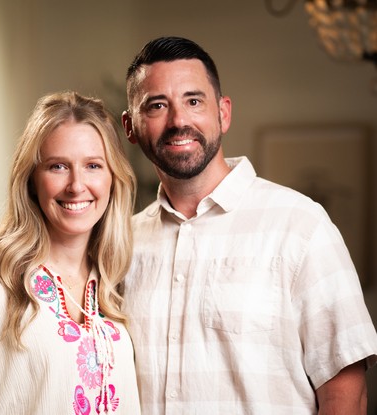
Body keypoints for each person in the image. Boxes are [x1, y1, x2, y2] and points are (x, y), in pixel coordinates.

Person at [121, 36, 377, 414]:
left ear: (223, 113)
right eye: (157, 105)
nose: (179, 121)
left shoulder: (301, 225)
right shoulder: (122, 244)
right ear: (130, 126)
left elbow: (346, 394)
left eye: (194, 101)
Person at [0, 91, 141, 414]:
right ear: (32, 180)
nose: (76, 185)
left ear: (113, 178)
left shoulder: (117, 289)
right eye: (58, 166)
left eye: (93, 165)